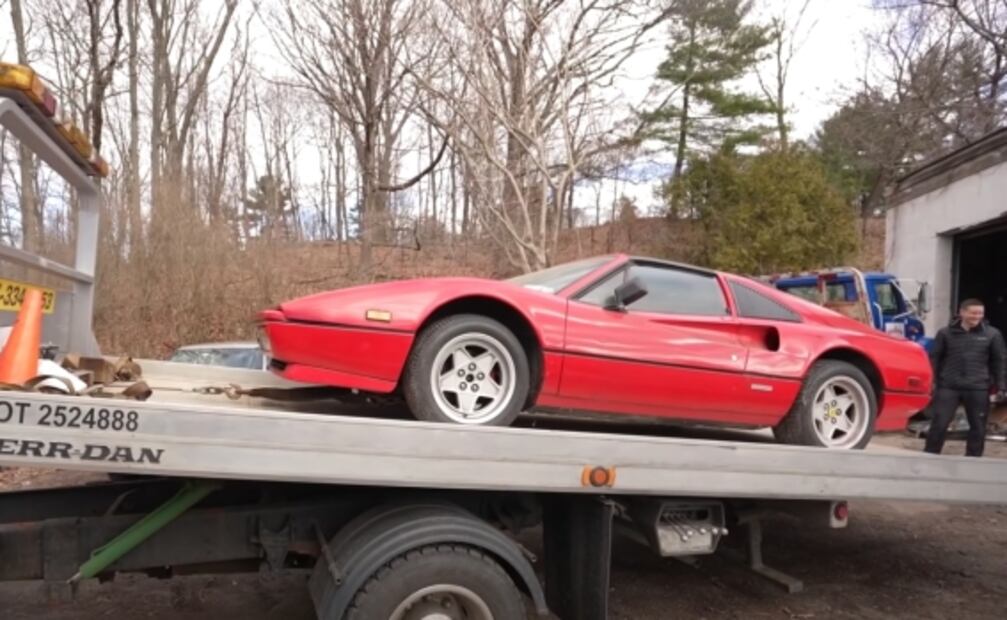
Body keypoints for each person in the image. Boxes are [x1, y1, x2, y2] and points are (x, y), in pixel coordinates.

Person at [925, 298, 1007, 457]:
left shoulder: (992, 334)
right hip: (949, 386)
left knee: (978, 426)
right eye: (973, 313)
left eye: (980, 313)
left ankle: (973, 459)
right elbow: (934, 358)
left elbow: (999, 362)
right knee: (939, 423)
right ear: (962, 313)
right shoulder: (945, 333)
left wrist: (1001, 386)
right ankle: (930, 455)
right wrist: (932, 381)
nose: (977, 316)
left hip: (978, 387)